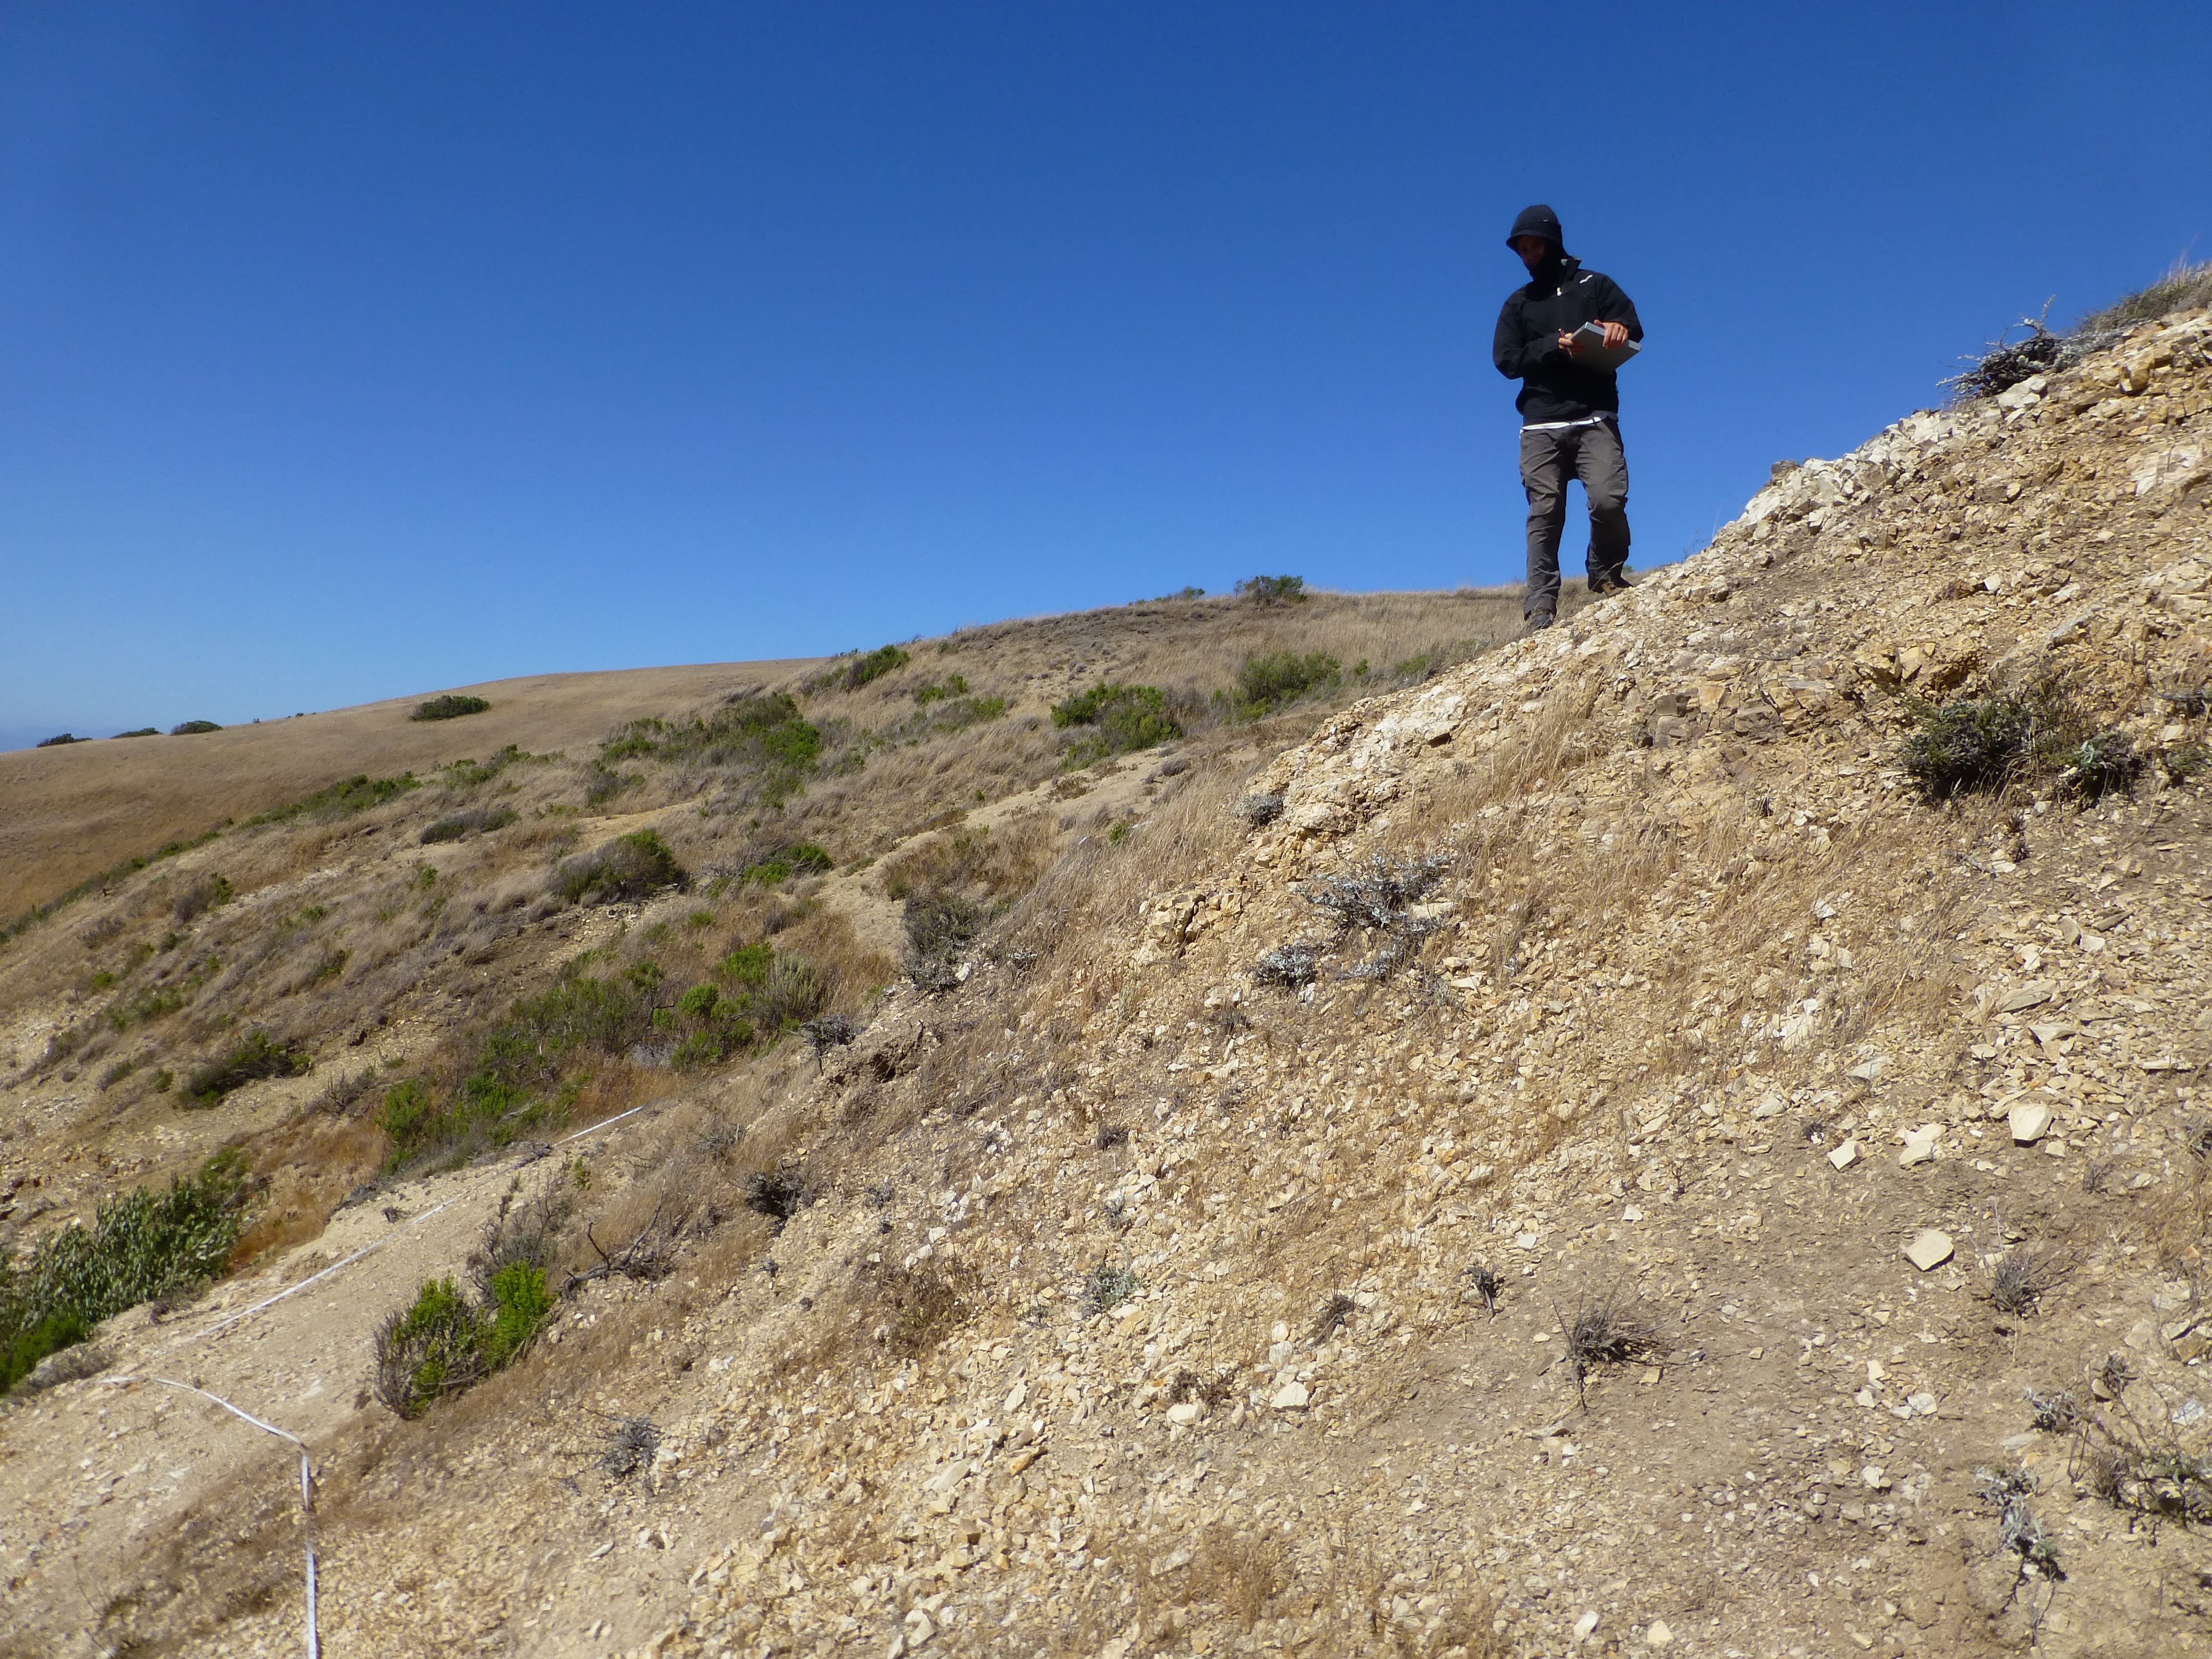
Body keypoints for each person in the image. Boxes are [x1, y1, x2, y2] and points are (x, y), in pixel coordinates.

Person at [1492, 204, 1643, 630]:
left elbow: (1632, 326)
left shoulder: (1596, 285)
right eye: (1522, 249)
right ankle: (1540, 605)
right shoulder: (1519, 303)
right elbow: (1505, 360)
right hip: (1541, 423)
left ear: (1553, 242)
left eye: (1535, 245)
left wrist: (1618, 328)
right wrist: (1551, 347)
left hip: (1596, 416)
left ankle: (1605, 572)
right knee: (1545, 512)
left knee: (1608, 500)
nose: (1529, 255)